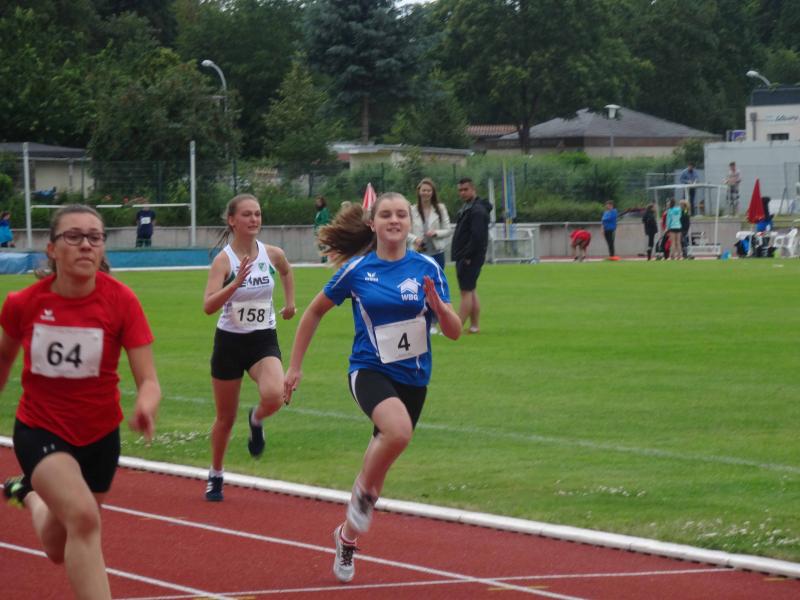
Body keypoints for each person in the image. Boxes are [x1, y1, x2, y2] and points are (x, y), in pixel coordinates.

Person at [284, 193, 461, 584]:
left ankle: (346, 537)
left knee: (380, 466)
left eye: (401, 214)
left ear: (409, 222)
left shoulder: (427, 267)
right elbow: (313, 312)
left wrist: (440, 306)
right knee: (398, 432)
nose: (394, 220)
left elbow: (454, 332)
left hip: (414, 378)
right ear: (373, 224)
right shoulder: (357, 270)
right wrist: (294, 366)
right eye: (386, 215)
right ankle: (362, 495)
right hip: (368, 370)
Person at [0, 204, 161, 600]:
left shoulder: (121, 301)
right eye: (73, 236)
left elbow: (149, 380)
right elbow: (2, 361)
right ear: (52, 248)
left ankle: (27, 493)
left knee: (59, 546)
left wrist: (145, 404)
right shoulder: (23, 303)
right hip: (41, 429)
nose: (86, 245)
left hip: (100, 436)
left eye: (95, 237)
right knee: (85, 519)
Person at [203, 194, 296, 502]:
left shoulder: (272, 254)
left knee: (275, 395)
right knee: (225, 418)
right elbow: (208, 306)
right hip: (229, 343)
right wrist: (234, 283)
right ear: (232, 221)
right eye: (247, 214)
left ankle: (256, 418)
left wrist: (290, 304)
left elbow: (286, 271)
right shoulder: (224, 261)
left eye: (257, 213)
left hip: (262, 339)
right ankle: (216, 473)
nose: (254, 219)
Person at [408, 178, 452, 334]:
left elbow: (448, 229)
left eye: (428, 190)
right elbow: (405, 231)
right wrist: (415, 239)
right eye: (423, 190)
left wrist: (436, 233)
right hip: (418, 254)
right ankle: (419, 320)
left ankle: (434, 322)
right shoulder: (412, 210)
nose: (425, 193)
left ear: (433, 192)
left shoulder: (440, 209)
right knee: (418, 287)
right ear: (419, 191)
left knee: (436, 289)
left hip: (436, 253)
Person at [450, 178, 489, 334]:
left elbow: (477, 237)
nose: (462, 193)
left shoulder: (476, 210)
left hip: (469, 257)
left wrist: (467, 255)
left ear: (473, 189)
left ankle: (457, 327)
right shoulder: (470, 207)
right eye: (460, 190)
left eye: (465, 189)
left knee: (465, 292)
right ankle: (474, 326)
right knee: (471, 290)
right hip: (469, 256)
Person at [314, 196, 331, 263]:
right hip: (317, 231)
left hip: (321, 230)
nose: (318, 203)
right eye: (317, 202)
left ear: (323, 202)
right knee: (320, 245)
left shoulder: (324, 210)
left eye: (319, 202)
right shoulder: (319, 211)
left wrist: (320, 229)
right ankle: (323, 258)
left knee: (322, 245)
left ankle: (324, 259)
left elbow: (325, 221)